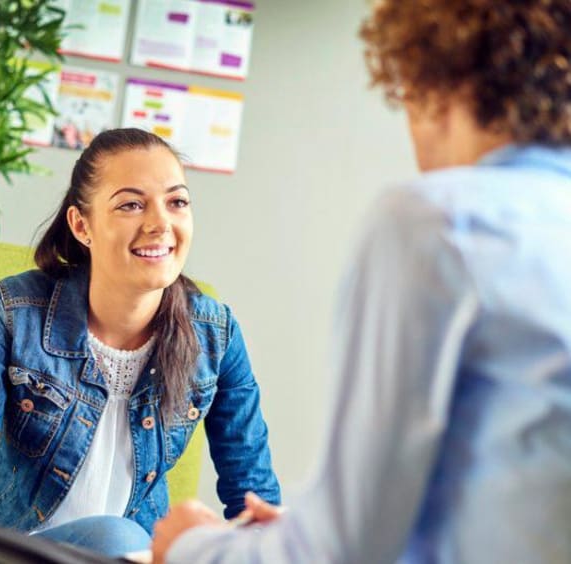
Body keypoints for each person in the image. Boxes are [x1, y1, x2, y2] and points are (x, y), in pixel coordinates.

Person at [152, 1, 571, 562]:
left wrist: (188, 549)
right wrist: (300, 529)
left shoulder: (439, 223)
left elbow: (340, 550)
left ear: (433, 82)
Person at [0, 128, 280, 563]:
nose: (160, 223)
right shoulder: (14, 312)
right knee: (115, 538)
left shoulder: (215, 335)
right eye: (131, 204)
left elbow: (253, 498)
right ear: (81, 225)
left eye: (177, 201)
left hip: (130, 556)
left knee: (128, 543)